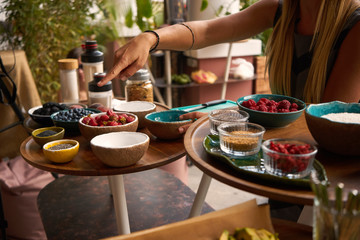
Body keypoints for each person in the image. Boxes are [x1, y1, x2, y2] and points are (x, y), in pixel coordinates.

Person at [98, 0, 360, 130]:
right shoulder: (282, 12)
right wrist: (150, 38)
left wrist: (233, 120)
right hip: (283, 160)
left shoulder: (355, 27)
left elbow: (325, 124)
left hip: (332, 187)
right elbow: (208, 31)